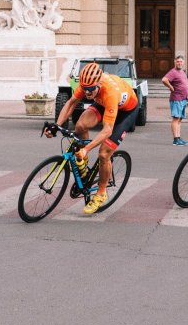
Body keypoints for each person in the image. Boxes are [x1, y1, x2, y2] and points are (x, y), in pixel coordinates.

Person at [51, 62, 139, 214]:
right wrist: (56, 125)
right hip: (103, 104)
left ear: (98, 83)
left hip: (126, 112)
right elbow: (72, 103)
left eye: (91, 89)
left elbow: (107, 130)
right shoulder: (87, 83)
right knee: (80, 126)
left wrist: (86, 149)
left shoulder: (110, 92)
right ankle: (84, 163)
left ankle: (101, 193)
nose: (87, 93)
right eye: (85, 89)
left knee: (104, 153)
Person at [162, 55, 188, 146]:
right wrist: (170, 87)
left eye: (181, 61)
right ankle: (175, 139)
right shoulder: (173, 72)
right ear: (175, 62)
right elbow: (164, 80)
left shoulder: (182, 72)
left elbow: (185, 84)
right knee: (176, 119)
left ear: (183, 63)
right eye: (178, 61)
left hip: (183, 99)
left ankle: (179, 137)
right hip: (176, 99)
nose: (179, 63)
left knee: (180, 119)